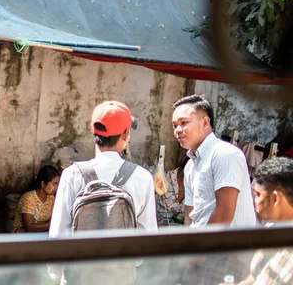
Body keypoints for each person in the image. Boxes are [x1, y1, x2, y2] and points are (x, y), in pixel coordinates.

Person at [49, 101, 157, 285]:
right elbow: (147, 237)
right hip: (119, 277)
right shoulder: (142, 177)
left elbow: (59, 232)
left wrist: (55, 275)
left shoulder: (72, 174)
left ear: (94, 132)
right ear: (125, 135)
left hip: (78, 277)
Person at [172, 94, 256, 284]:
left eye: (184, 123)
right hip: (203, 252)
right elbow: (190, 215)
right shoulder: (191, 165)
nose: (178, 130)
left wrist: (200, 251)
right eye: (175, 125)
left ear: (205, 122)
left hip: (226, 252)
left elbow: (225, 212)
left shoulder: (225, 154)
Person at [227, 157, 293, 285]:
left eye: (258, 195)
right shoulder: (271, 228)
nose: (255, 201)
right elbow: (257, 275)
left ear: (275, 198)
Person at [12, 165, 60, 233]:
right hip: (22, 237)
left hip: (40, 234)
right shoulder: (28, 198)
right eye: (54, 184)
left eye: (58, 184)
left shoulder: (51, 198)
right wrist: (51, 225)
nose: (56, 188)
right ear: (43, 184)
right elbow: (30, 228)